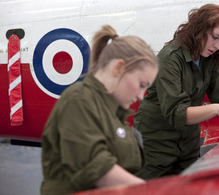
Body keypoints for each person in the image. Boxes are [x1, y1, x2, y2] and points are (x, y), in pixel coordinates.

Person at [40, 25, 159, 195]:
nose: (141, 96)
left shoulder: (113, 111)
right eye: (141, 85)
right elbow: (96, 168)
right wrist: (150, 190)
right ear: (119, 68)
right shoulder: (78, 100)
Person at [134, 4, 219, 179]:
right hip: (156, 146)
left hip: (188, 147)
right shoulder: (170, 58)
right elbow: (176, 113)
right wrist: (216, 109)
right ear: (199, 29)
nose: (217, 46)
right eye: (214, 37)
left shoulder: (210, 60)